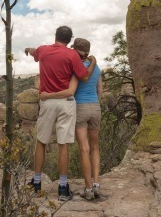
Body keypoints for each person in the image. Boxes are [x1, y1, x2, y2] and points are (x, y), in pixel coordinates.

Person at [24, 26, 96, 201]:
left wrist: (28, 49)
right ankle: (63, 188)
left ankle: (37, 182)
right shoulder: (72, 55)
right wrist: (93, 61)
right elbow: (84, 76)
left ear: (55, 36)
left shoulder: (43, 50)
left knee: (41, 142)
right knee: (63, 144)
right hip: (66, 103)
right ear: (69, 40)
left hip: (47, 102)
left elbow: (34, 51)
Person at [40, 38, 102, 201]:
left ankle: (88, 189)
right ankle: (97, 185)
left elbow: (69, 89)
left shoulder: (75, 68)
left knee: (84, 148)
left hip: (80, 108)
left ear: (75, 50)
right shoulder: (97, 69)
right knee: (95, 147)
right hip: (95, 107)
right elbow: (100, 90)